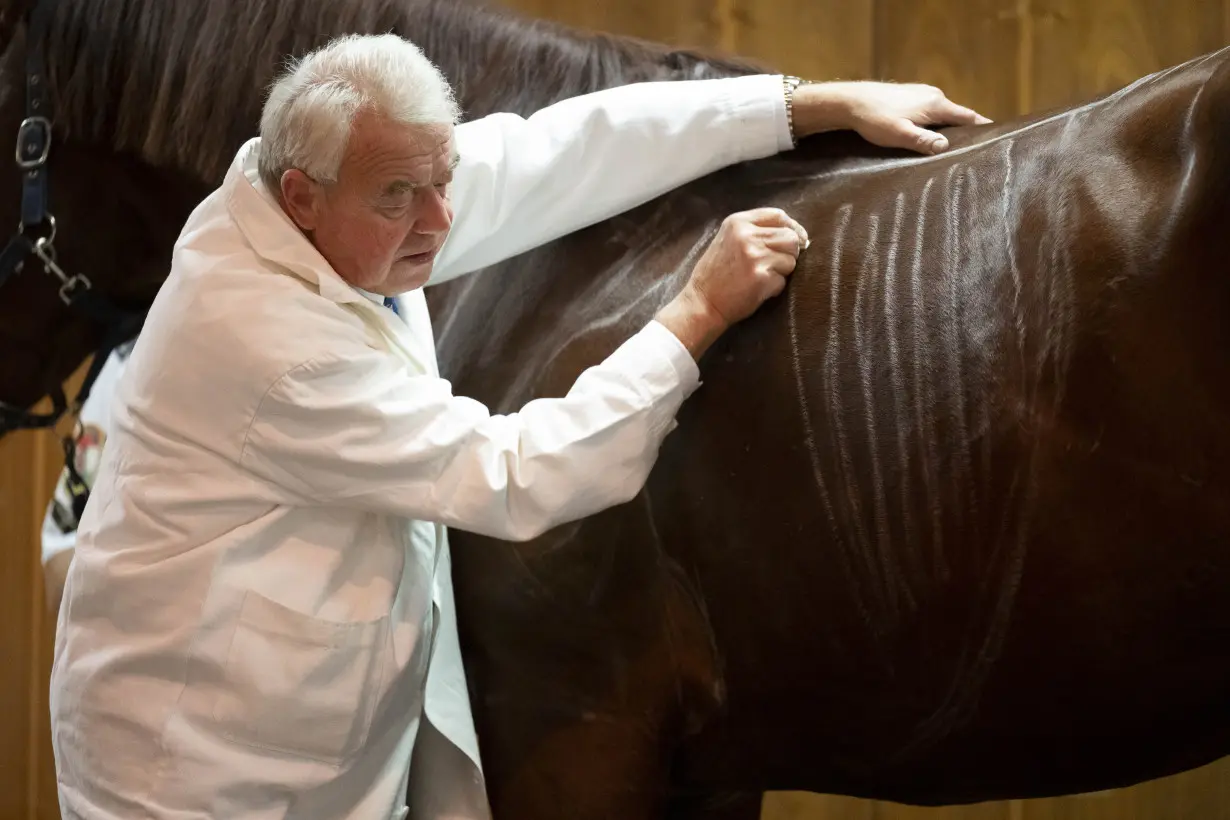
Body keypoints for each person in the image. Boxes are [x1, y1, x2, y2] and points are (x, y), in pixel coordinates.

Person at [46, 32, 987, 820]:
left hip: (305, 735)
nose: (439, 219)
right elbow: (513, 474)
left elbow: (559, 150)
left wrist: (808, 104)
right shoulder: (263, 337)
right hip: (195, 779)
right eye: (401, 198)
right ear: (302, 196)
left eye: (443, 180)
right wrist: (697, 311)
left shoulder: (349, 192)